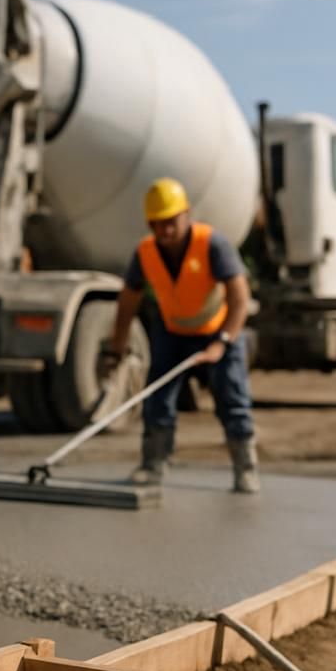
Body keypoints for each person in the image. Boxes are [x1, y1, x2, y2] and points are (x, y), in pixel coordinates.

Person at [104, 177, 259, 494]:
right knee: (158, 400)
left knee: (232, 398)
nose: (165, 231)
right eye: (157, 224)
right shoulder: (146, 253)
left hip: (218, 331)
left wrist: (222, 342)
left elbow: (240, 299)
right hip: (173, 333)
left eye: (171, 222)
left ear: (186, 213)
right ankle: (154, 465)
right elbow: (127, 303)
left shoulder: (213, 244)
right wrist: (116, 347)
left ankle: (246, 468)